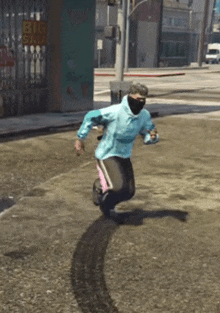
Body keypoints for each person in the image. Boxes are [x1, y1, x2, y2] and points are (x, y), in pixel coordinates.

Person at [75, 83, 159, 222]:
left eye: (143, 100)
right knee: (118, 186)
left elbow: (148, 133)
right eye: (137, 99)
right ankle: (101, 187)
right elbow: (91, 116)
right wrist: (80, 138)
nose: (140, 103)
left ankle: (107, 206)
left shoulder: (144, 115)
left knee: (129, 192)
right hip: (107, 153)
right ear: (130, 97)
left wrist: (152, 137)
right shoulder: (115, 112)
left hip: (124, 155)